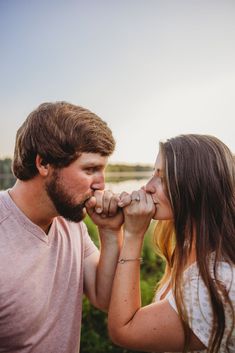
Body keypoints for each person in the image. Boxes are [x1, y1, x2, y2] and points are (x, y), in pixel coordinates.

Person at [0, 101, 124, 353]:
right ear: (44, 163)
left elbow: (105, 298)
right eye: (90, 169)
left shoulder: (69, 222)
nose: (102, 185)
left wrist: (111, 233)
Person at [107, 134, 235, 353]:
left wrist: (133, 235)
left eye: (163, 178)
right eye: (153, 174)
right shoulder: (191, 246)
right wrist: (109, 229)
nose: (148, 187)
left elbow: (124, 330)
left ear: (196, 188)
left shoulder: (216, 283)